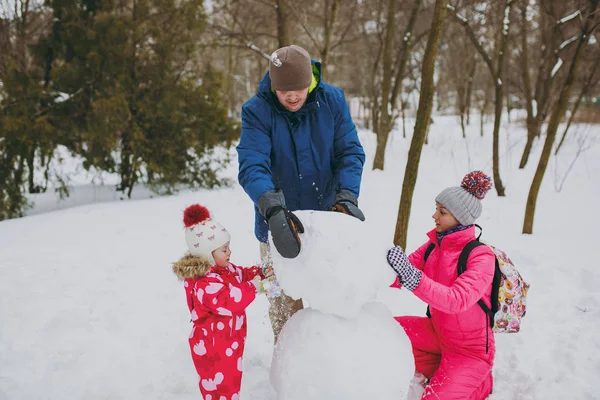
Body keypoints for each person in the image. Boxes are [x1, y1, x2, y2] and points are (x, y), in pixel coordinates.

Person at [236, 44, 366, 340]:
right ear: (273, 86)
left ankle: (333, 365)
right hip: (279, 224)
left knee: (332, 303)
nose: (292, 96)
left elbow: (349, 152)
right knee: (284, 310)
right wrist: (271, 207)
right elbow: (252, 165)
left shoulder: (331, 101)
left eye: (299, 88)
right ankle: (290, 370)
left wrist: (346, 195)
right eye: (284, 91)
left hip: (327, 220)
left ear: (310, 81)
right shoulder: (257, 111)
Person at [386, 171, 496, 400]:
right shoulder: (433, 245)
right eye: (437, 208)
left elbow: (457, 300)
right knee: (383, 331)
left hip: (469, 352)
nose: (434, 215)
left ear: (461, 218)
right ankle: (445, 369)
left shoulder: (481, 256)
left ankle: (481, 382)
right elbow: (399, 273)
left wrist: (413, 278)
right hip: (437, 335)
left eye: (442, 212)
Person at [172, 204, 267, 399]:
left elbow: (241, 274)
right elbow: (229, 301)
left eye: (228, 247)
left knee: (230, 382)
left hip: (227, 341)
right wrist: (254, 287)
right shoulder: (205, 282)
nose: (229, 252)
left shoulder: (223, 270)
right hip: (214, 346)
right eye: (224, 250)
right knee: (222, 387)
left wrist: (259, 272)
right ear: (209, 255)